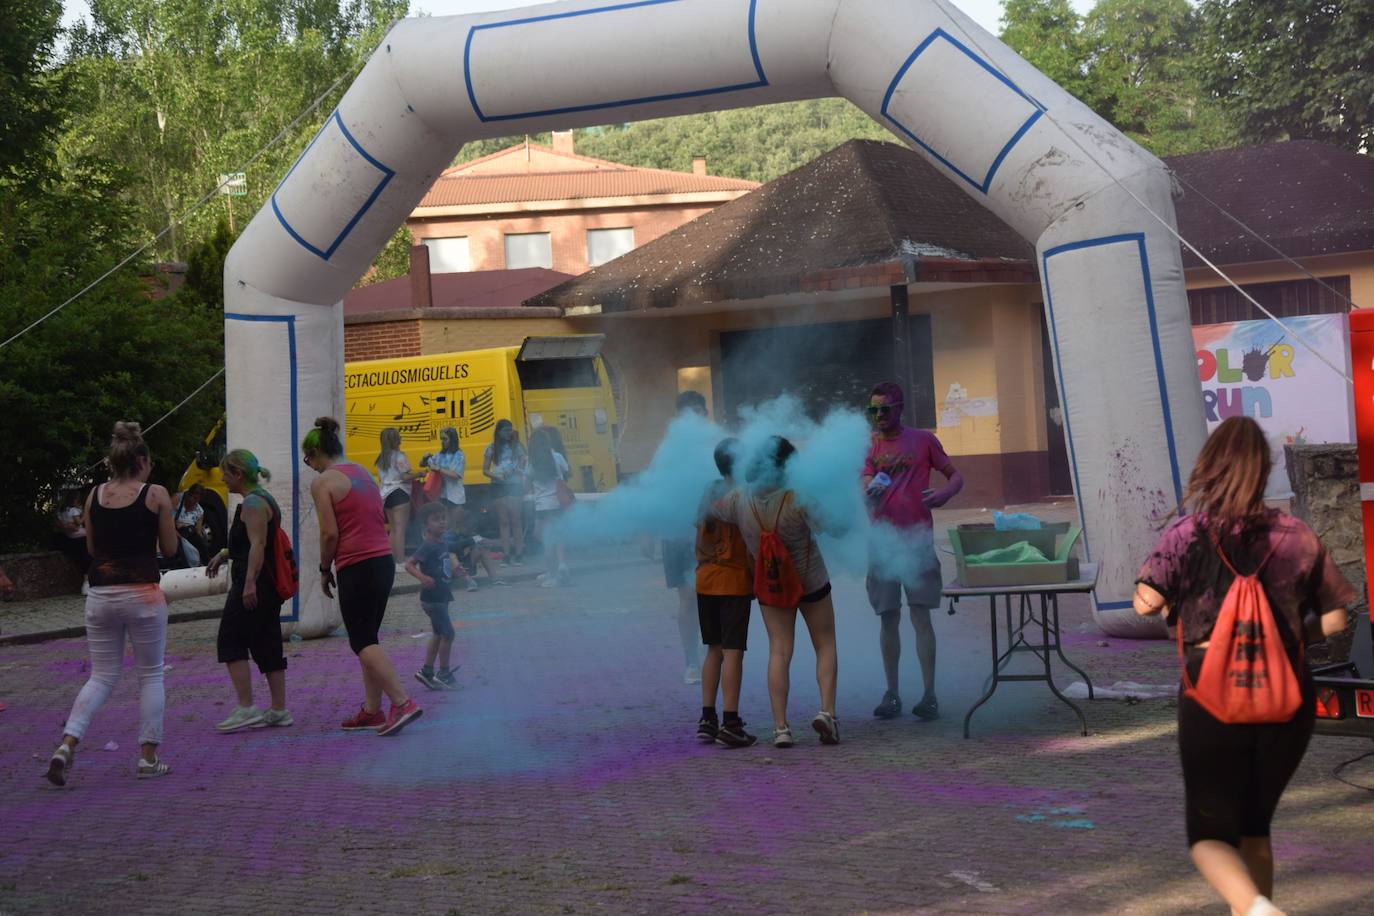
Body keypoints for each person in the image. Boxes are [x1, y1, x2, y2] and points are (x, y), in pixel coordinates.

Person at [1134, 417, 1352, 916]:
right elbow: (1337, 618)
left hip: (1211, 697)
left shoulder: (1186, 535)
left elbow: (1145, 603)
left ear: (1210, 466)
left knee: (1208, 836)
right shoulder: (1297, 537)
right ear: (1264, 470)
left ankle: (1258, 909)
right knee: (1256, 826)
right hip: (1286, 699)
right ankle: (1256, 904)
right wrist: (1287, 636)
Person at [46, 422, 178, 785]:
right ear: (142, 460)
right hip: (143, 593)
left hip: (100, 593)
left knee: (102, 675)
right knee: (150, 674)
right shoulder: (156, 494)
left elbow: (90, 549)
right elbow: (170, 549)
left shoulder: (94, 495)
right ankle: (148, 758)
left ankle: (66, 744)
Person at [714, 436, 839, 748]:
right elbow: (836, 527)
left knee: (779, 651)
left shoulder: (739, 498)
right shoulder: (799, 497)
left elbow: (713, 512)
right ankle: (827, 713)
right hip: (811, 581)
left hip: (770, 586)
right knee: (824, 644)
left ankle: (781, 728)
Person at [304, 417, 422, 737]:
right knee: (368, 636)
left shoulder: (323, 483)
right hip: (382, 561)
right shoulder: (362, 473)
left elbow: (330, 533)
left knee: (361, 640)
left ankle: (401, 702)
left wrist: (323, 569)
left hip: (357, 564)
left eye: (308, 459)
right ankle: (372, 710)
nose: (309, 466)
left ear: (316, 453)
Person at [861, 381, 963, 722]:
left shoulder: (923, 440)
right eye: (873, 410)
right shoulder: (869, 446)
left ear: (900, 407)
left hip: (917, 542)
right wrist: (868, 494)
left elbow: (956, 476)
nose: (878, 416)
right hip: (882, 545)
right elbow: (863, 486)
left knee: (921, 616)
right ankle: (892, 694)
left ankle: (929, 694)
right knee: (888, 618)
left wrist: (944, 494)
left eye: (884, 409)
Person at [205, 450, 291, 732]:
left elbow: (258, 545)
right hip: (266, 583)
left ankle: (246, 707)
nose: (224, 481)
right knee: (267, 641)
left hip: (254, 582)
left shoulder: (252, 503)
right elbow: (250, 542)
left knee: (230, 640)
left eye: (226, 475)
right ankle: (278, 710)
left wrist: (250, 583)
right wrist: (225, 553)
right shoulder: (260, 499)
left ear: (238, 474)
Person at [694, 438, 757, 748]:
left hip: (705, 580)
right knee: (733, 652)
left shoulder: (709, 491)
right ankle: (731, 722)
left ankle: (707, 718)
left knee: (713, 650)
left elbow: (698, 528)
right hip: (733, 582)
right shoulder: (743, 495)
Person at [664, 391, 709, 684]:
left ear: (705, 413)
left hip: (710, 531)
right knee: (687, 596)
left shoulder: (715, 443)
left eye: (696, 413)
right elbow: (656, 489)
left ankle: (714, 653)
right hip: (676, 532)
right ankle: (691, 661)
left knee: (712, 596)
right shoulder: (669, 449)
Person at [405, 502, 461, 690]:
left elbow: (445, 562)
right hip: (433, 598)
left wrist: (456, 569)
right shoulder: (428, 545)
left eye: (443, 518)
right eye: (436, 519)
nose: (441, 522)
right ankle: (444, 673)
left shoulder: (442, 543)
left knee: (438, 633)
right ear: (426, 525)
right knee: (448, 633)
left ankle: (427, 672)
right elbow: (409, 564)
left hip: (441, 596)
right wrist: (422, 577)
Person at [528, 426, 572, 588]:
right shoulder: (557, 456)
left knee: (544, 538)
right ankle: (561, 566)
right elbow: (567, 473)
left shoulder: (531, 461)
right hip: (558, 502)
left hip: (542, 506)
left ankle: (553, 575)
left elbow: (527, 480)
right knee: (557, 535)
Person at [483, 419, 527, 565]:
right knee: (504, 520)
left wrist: (517, 469)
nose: (509, 433)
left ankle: (520, 553)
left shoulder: (517, 447)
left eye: (510, 430)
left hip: (514, 485)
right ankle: (506, 554)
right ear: (499, 432)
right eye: (506, 431)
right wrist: (496, 476)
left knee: (516, 519)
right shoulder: (491, 448)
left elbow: (522, 464)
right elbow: (485, 470)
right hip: (498, 484)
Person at [376, 427, 416, 563]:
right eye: (399, 437)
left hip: (386, 495)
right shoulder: (399, 456)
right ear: (395, 440)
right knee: (400, 529)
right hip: (400, 493)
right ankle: (400, 561)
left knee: (393, 529)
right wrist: (419, 474)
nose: (401, 439)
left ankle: (391, 560)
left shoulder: (380, 458)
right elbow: (405, 476)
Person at [423, 426, 467, 534]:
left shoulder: (459, 455)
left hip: (455, 496)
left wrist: (439, 469)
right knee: (444, 526)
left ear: (452, 439)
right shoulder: (440, 455)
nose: (442, 441)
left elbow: (456, 475)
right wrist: (425, 458)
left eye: (445, 439)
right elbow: (424, 464)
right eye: (441, 439)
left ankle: (455, 549)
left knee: (455, 526)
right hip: (442, 495)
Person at [52, 487, 92, 576]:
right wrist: (85, 514)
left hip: (70, 535)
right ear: (75, 500)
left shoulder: (62, 511)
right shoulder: (73, 510)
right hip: (79, 535)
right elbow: (78, 522)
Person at [174, 483, 211, 566]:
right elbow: (169, 519)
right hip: (175, 531)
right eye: (190, 495)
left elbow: (198, 531)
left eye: (195, 498)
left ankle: (206, 563)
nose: (191, 499)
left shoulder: (199, 511)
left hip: (189, 533)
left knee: (197, 540)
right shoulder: (178, 499)